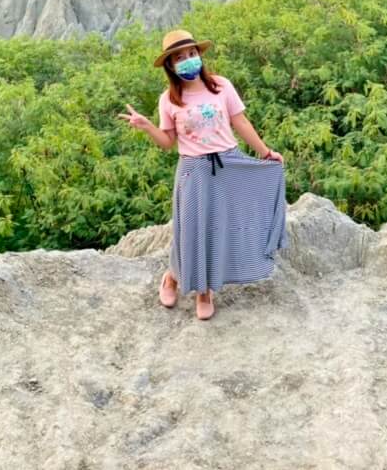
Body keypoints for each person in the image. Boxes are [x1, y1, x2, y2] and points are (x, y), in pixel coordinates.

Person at [117, 28, 289, 321]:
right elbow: (168, 142)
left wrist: (264, 151)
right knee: (192, 231)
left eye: (192, 54)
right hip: (194, 170)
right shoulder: (169, 99)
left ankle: (204, 289)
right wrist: (147, 127)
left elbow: (240, 122)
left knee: (224, 227)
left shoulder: (221, 86)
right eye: (179, 57)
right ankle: (176, 279)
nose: (188, 60)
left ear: (200, 55)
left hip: (229, 164)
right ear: (171, 65)